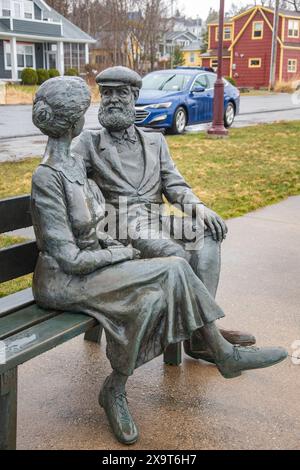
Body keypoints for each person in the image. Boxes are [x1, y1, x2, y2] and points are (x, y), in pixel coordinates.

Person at [31, 76, 287, 446]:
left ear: (136, 97)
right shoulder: (80, 149)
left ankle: (202, 338)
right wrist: (118, 247)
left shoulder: (153, 139)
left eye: (123, 93)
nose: (113, 100)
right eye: (107, 94)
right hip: (119, 227)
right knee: (173, 262)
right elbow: (73, 231)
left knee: (205, 239)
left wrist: (196, 208)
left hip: (146, 221)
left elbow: (173, 184)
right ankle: (212, 344)